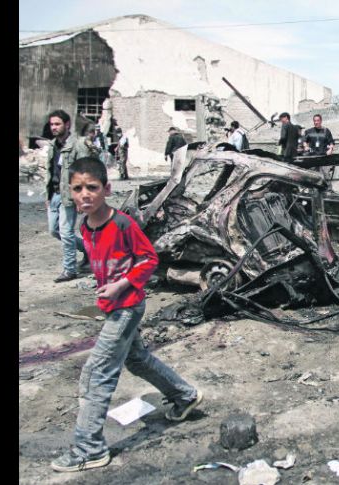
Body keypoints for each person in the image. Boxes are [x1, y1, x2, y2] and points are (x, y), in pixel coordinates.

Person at [51, 157, 203, 473]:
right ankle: (184, 396)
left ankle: (89, 448)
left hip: (127, 306)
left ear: (106, 189)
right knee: (136, 359)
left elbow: (148, 260)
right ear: (70, 192)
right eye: (77, 189)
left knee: (96, 373)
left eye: (92, 188)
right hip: (113, 307)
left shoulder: (122, 224)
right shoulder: (85, 226)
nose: (85, 195)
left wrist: (120, 285)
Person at [45, 110, 92, 282]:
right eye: (52, 124)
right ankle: (88, 250)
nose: (54, 127)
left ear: (67, 125)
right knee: (54, 230)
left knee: (66, 232)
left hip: (70, 195)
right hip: (54, 194)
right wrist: (47, 195)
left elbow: (84, 172)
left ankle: (69, 270)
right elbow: (50, 172)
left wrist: (81, 197)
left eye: (57, 124)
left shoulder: (78, 145)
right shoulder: (52, 145)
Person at [303, 114, 335, 180]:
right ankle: (314, 190)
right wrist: (305, 146)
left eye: (318, 120)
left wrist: (330, 149)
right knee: (313, 176)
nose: (316, 122)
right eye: (314, 121)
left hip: (324, 157)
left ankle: (328, 190)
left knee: (326, 176)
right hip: (313, 157)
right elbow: (304, 141)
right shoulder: (309, 131)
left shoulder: (326, 131)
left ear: (321, 121)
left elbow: (331, 142)